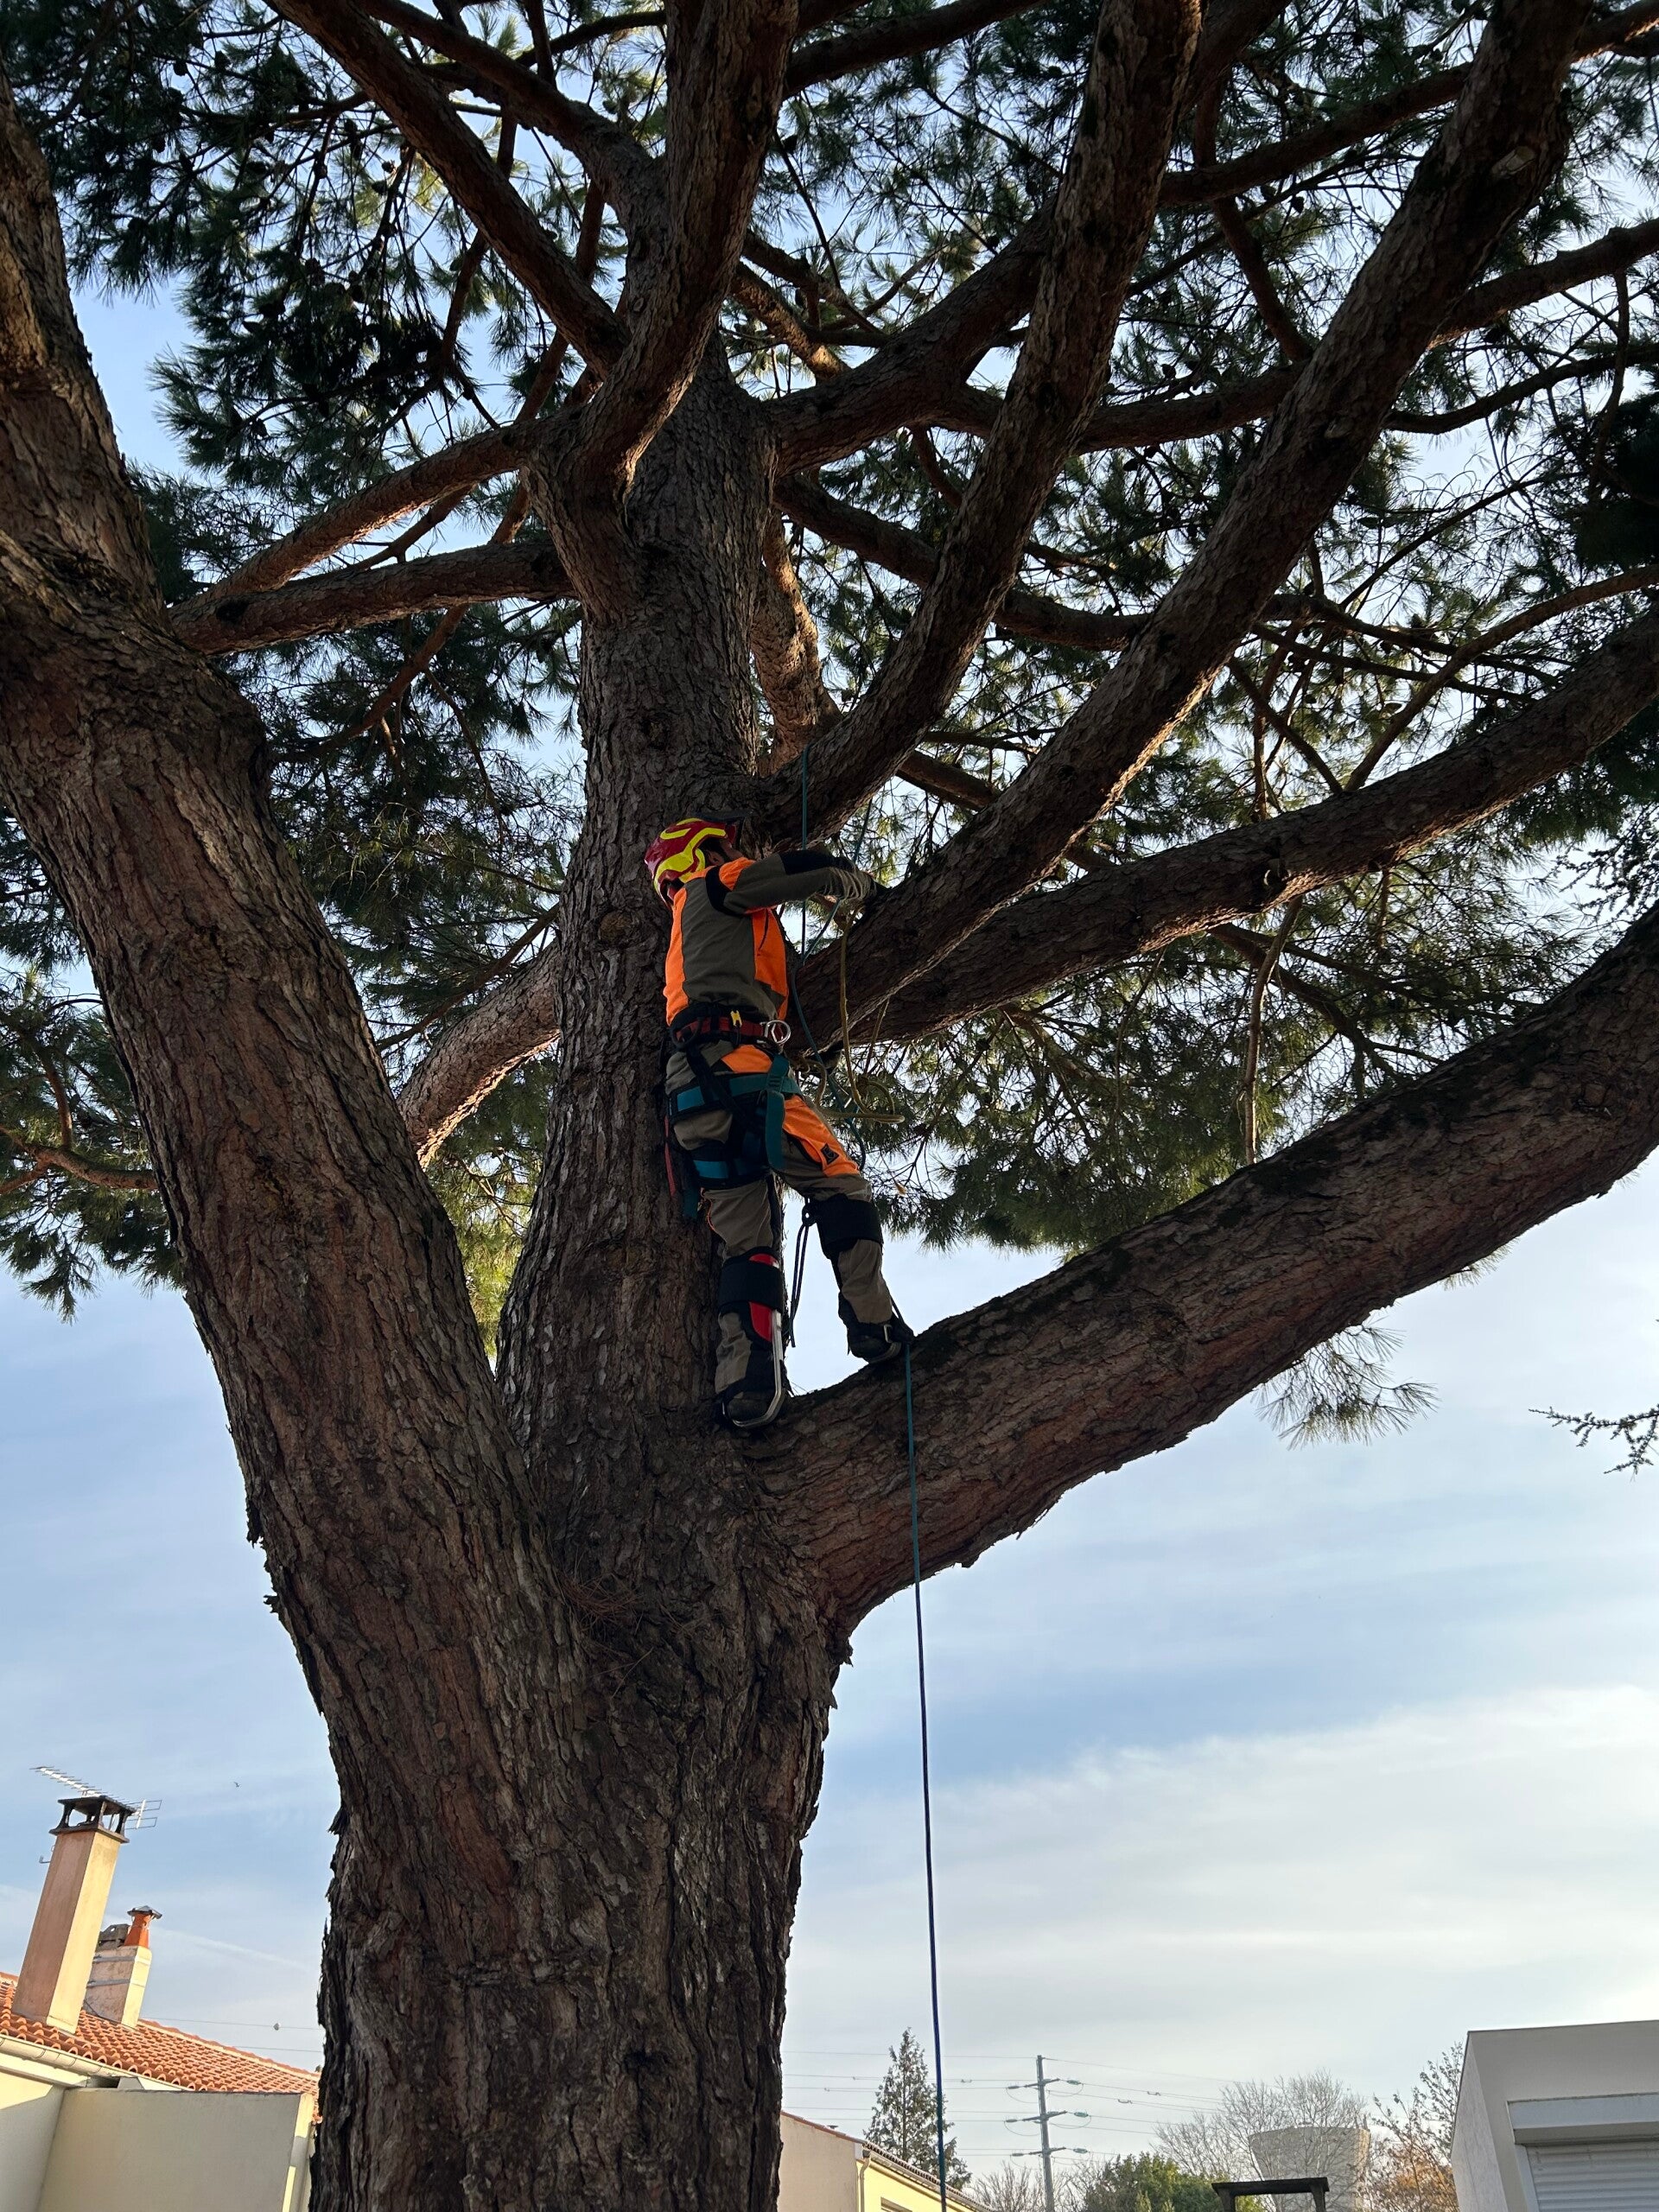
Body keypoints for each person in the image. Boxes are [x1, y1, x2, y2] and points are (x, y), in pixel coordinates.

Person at [646, 815, 910, 1429]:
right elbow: (806, 871)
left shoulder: (689, 937)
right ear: (700, 854)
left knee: (748, 1244)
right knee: (841, 1184)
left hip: (693, 1098)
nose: (732, 852)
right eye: (723, 846)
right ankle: (873, 1322)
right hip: (739, 1073)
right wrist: (866, 888)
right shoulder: (716, 885)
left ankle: (747, 1380)